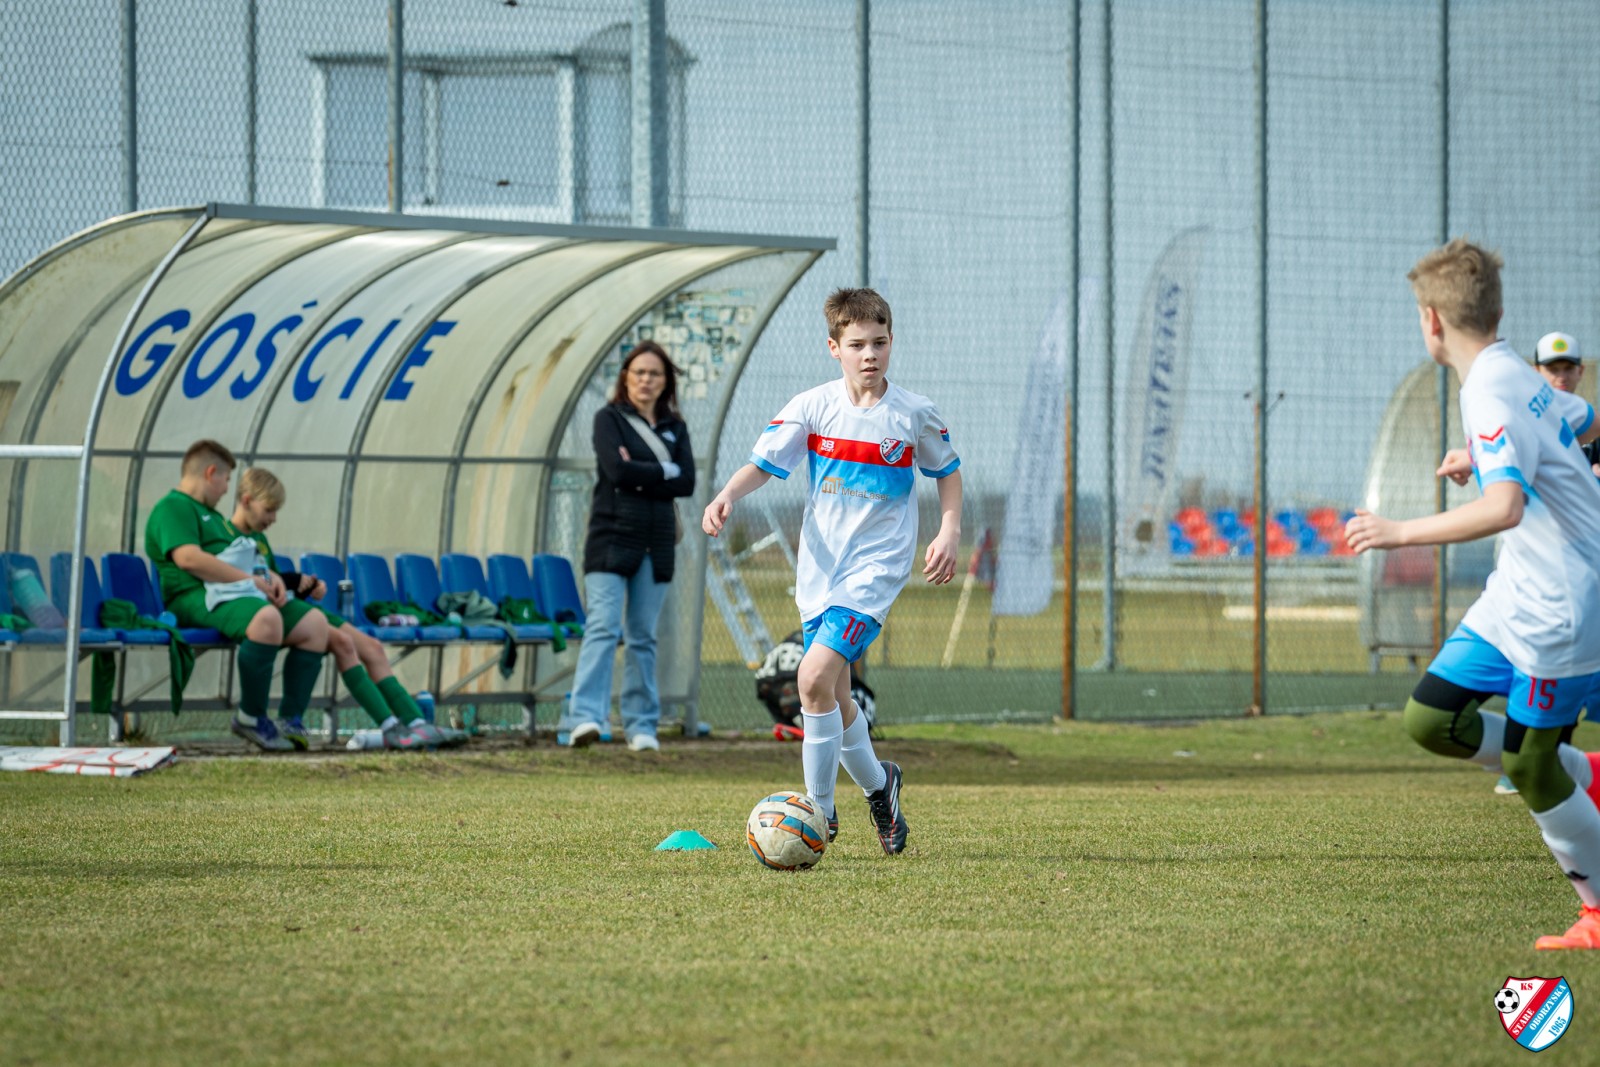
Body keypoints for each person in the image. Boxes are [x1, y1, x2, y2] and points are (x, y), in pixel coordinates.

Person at [1345, 239, 1600, 949]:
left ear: (1431, 321)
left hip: (1558, 603)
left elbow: (1504, 507)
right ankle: (1583, 770)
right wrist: (1488, 454)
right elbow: (1585, 420)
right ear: (1497, 312)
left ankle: (1598, 913)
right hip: (1513, 592)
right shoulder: (1510, 372)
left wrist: (1397, 531)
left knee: (1526, 765)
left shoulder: (1490, 388)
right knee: (1430, 719)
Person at [703, 287, 962, 854]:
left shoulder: (913, 413)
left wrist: (949, 530)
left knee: (812, 678)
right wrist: (727, 495)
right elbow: (763, 465)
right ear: (834, 347)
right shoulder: (813, 407)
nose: (870, 354)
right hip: (819, 572)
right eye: (857, 344)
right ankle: (881, 786)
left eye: (880, 342)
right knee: (835, 699)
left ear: (891, 342)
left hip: (875, 569)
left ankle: (816, 812)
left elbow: (947, 472)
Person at [229, 467, 455, 751]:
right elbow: (246, 582)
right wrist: (292, 583)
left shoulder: (258, 539)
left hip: (293, 608)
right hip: (268, 615)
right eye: (269, 510)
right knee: (343, 642)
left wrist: (304, 585)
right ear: (247, 501)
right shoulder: (225, 536)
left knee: (371, 647)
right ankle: (389, 727)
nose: (273, 518)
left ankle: (415, 723)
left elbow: (273, 582)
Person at [144, 440, 328, 752]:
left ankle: (289, 722)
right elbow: (188, 559)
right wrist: (249, 580)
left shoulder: (213, 517)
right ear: (210, 473)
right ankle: (251, 717)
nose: (227, 489)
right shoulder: (173, 507)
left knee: (315, 626)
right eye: (226, 479)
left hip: (234, 592)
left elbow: (244, 559)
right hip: (195, 596)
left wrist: (270, 579)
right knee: (266, 620)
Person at [565, 340, 695, 752]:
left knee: (642, 635)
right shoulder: (609, 419)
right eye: (639, 372)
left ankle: (641, 724)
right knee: (603, 627)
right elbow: (617, 472)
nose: (646, 380)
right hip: (610, 539)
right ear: (626, 377)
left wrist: (644, 471)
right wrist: (663, 470)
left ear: (666, 381)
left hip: (656, 542)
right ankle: (585, 718)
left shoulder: (676, 427)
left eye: (654, 373)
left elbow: (687, 481)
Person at [1493, 330, 1600, 796]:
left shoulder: (1590, 427)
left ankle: (1551, 759)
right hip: (1535, 568)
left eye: (1567, 368)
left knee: (1575, 671)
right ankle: (1533, 756)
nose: (1560, 375)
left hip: (1586, 573)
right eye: (1551, 368)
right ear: (1536, 372)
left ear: (1580, 372)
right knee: (1531, 662)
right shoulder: (1525, 422)